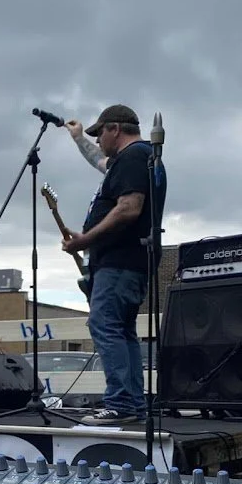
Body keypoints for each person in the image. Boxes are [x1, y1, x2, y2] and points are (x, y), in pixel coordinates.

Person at [61, 104, 167, 424]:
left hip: (119, 262)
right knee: (122, 330)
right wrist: (79, 138)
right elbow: (100, 161)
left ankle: (120, 403)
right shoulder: (136, 159)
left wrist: (86, 240)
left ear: (115, 129)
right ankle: (132, 402)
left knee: (105, 324)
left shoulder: (133, 157)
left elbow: (128, 208)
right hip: (130, 262)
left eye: (100, 134)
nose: (98, 140)